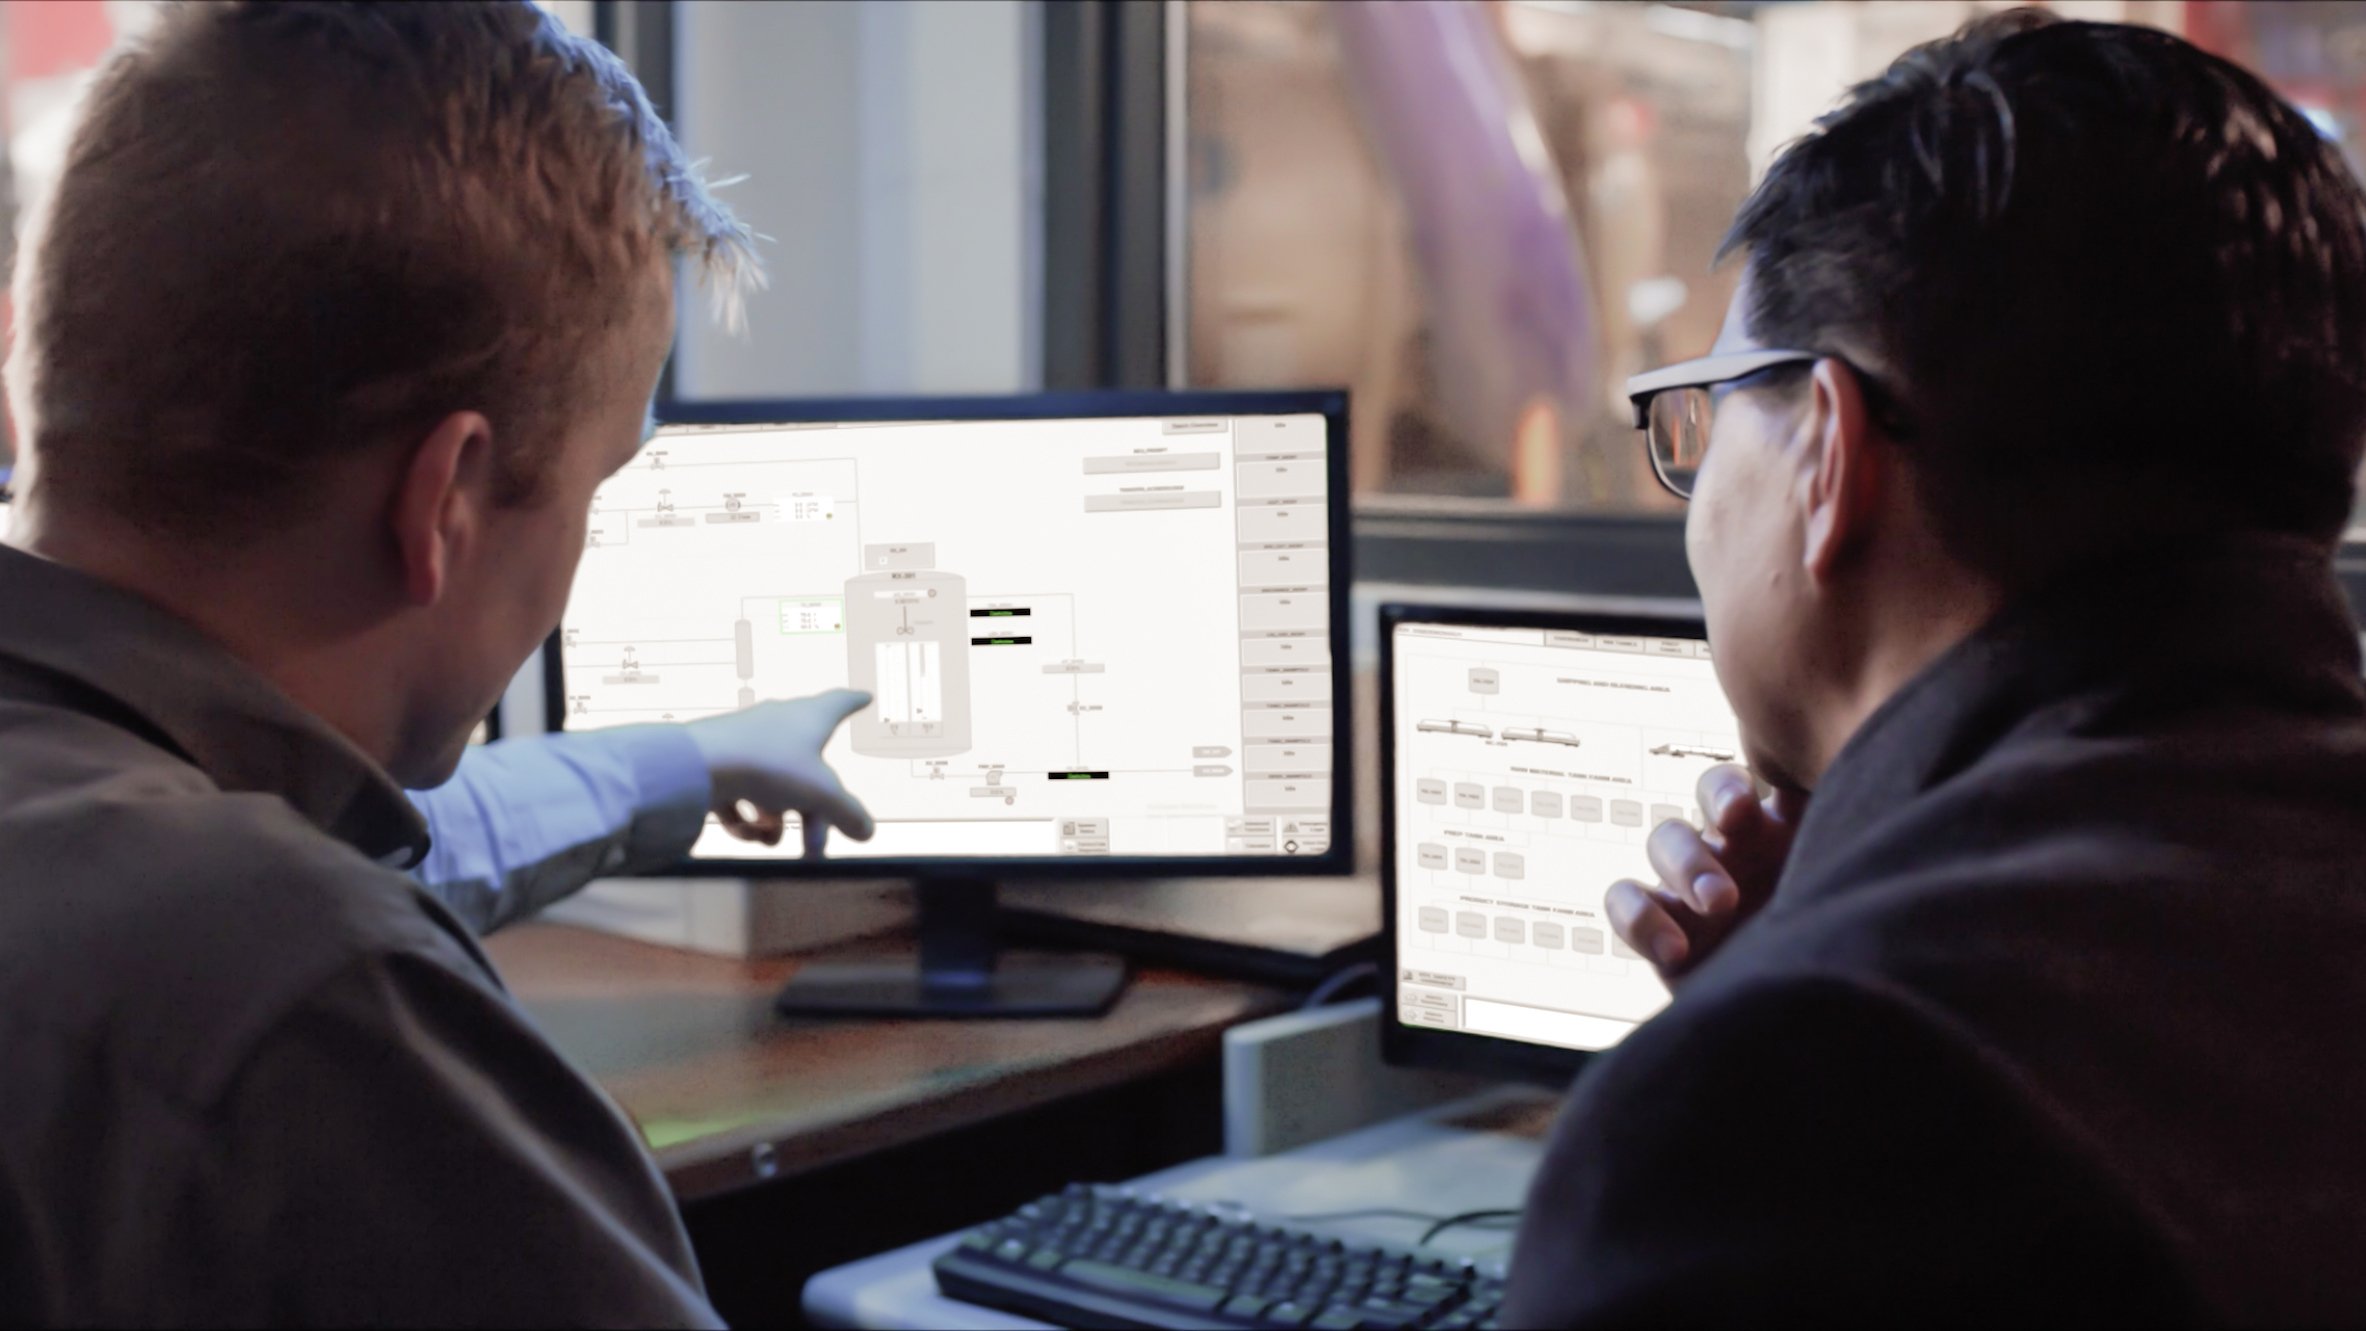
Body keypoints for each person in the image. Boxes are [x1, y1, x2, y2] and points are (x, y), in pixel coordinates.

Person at [0, 3, 857, 1323]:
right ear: (446, 499)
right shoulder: (308, 999)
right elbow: (283, 916)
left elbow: (345, 845)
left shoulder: (107, 827)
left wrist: (677, 763)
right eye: (598, 482)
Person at [1507, 10, 2366, 1325]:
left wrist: (1785, 1032)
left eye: (1704, 414)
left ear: (1827, 455)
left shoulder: (1777, 1111)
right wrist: (1827, 928)